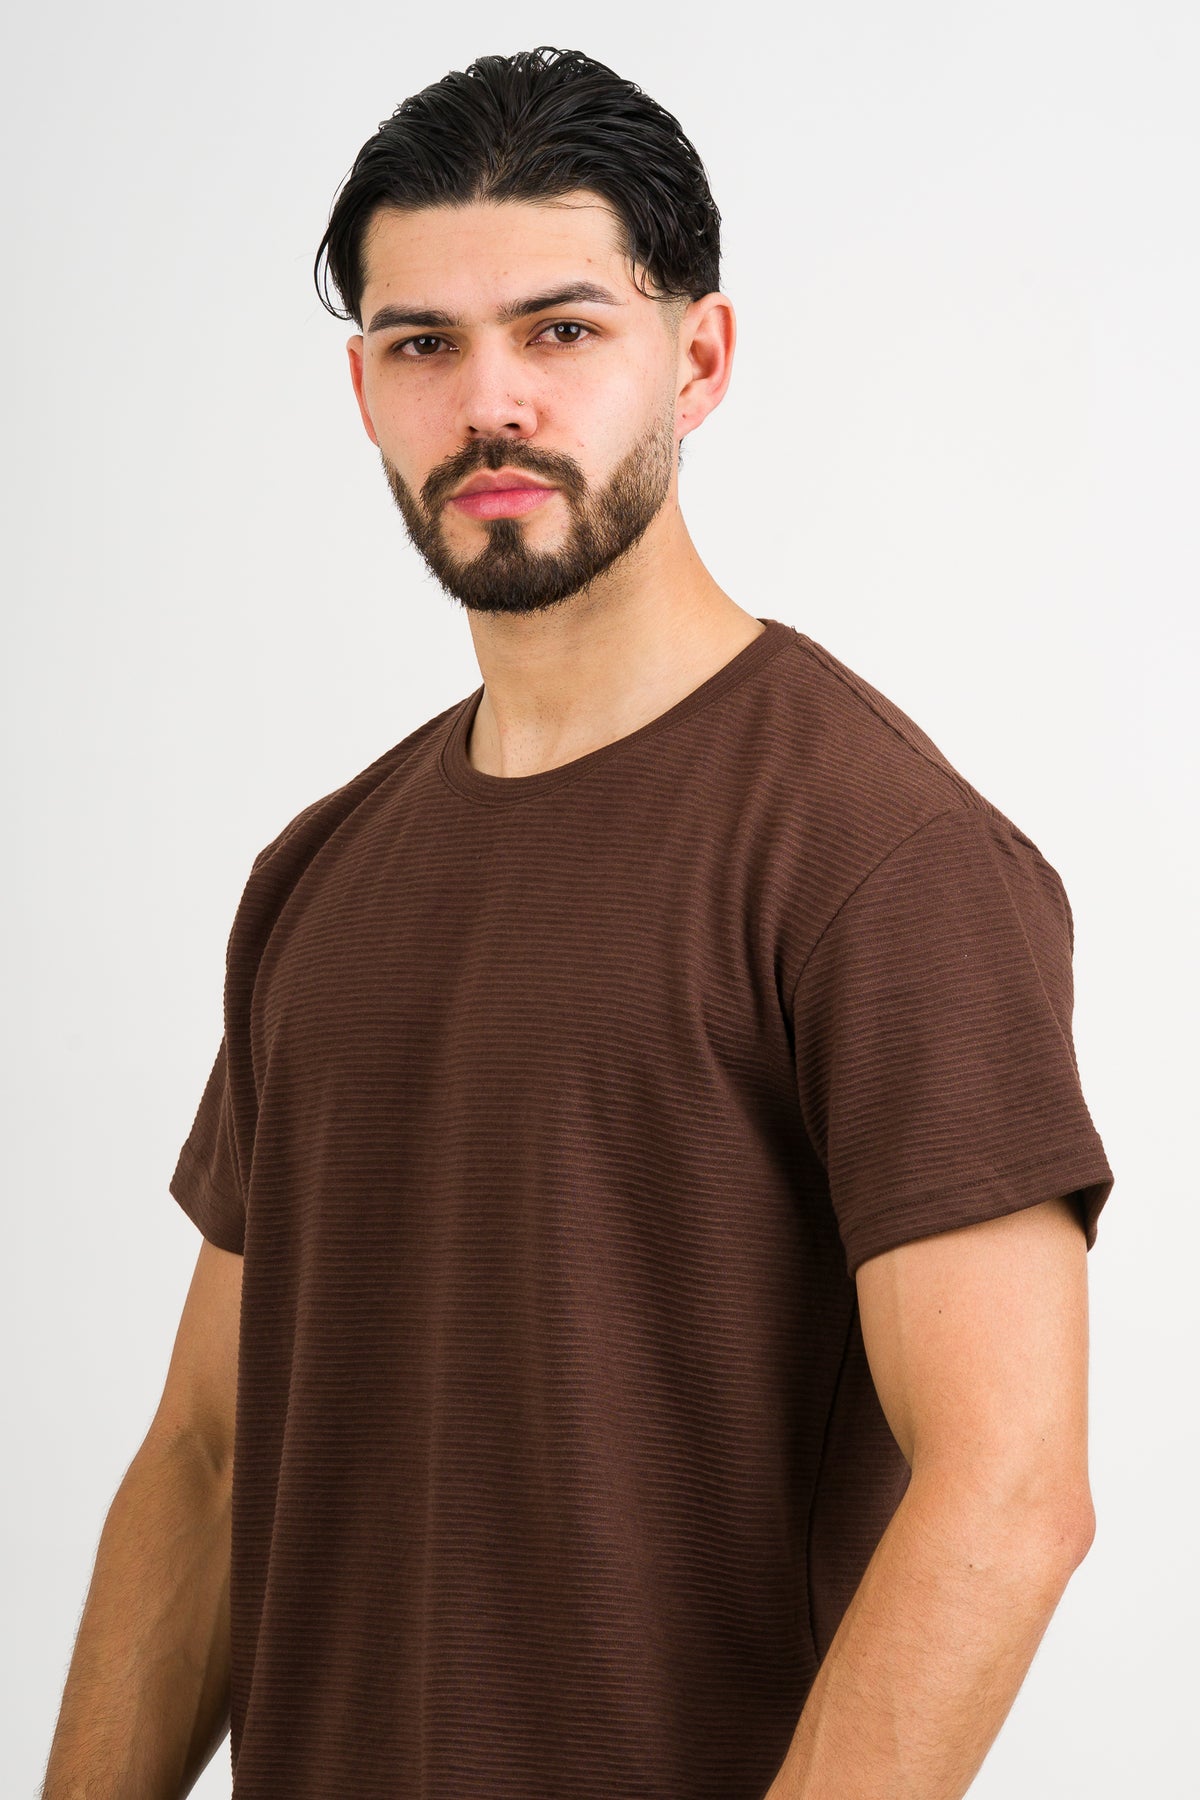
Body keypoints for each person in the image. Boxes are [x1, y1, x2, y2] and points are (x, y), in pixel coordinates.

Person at [42, 45, 1115, 1800]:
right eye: (423, 345)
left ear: (698, 359)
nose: (491, 404)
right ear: (364, 390)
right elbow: (211, 1462)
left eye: (560, 331)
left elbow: (1006, 1492)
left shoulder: (878, 854)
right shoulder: (319, 876)